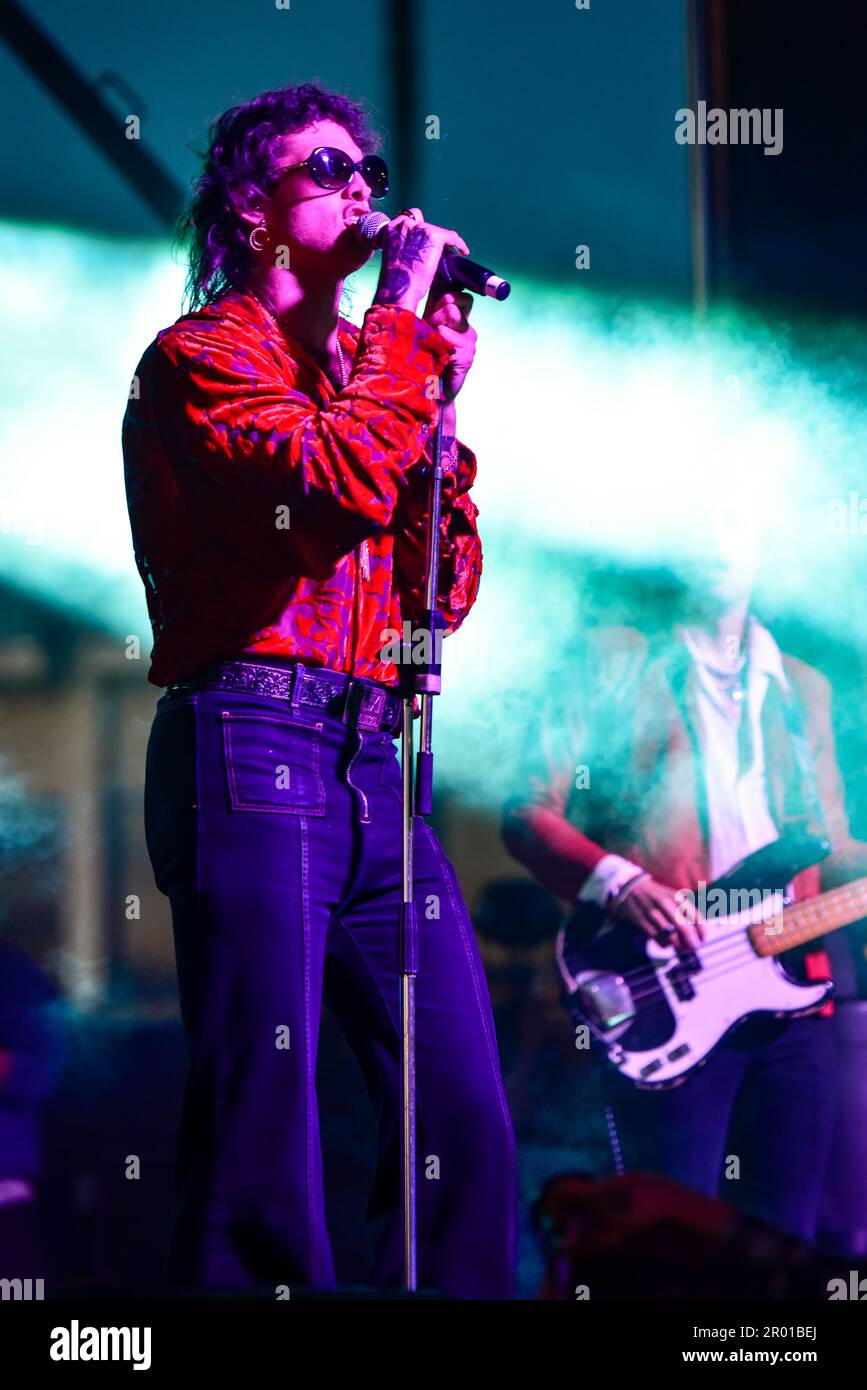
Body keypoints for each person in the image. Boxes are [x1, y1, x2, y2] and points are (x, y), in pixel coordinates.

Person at [122, 83, 515, 1298]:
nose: (364, 187)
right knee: (262, 1129)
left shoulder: (371, 371)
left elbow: (434, 596)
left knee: (462, 1120)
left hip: (370, 758)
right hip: (249, 736)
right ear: (252, 206)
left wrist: (436, 406)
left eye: (372, 168)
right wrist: (400, 324)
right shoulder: (200, 359)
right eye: (330, 166)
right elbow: (324, 490)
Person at [502, 498, 867, 1243]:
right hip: (668, 983)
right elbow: (525, 812)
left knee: (783, 1247)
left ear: (764, 541)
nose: (715, 538)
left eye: (736, 518)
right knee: (667, 1242)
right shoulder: (611, 658)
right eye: (699, 518)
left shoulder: (801, 687)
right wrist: (621, 882)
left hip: (791, 993)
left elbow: (827, 849)